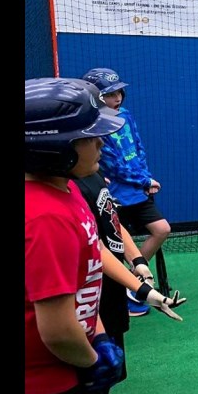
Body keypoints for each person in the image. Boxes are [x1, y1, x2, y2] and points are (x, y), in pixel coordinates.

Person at [25, 77, 127, 394]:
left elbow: (85, 279)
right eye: (90, 138)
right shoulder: (43, 217)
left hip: (69, 365)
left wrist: (98, 337)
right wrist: (89, 360)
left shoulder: (67, 192)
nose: (101, 145)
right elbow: (55, 327)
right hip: (45, 382)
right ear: (55, 148)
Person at [75, 169, 186, 394]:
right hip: (89, 293)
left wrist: (138, 261)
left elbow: (113, 224)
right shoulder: (68, 187)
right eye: (91, 138)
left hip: (108, 291)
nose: (100, 145)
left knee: (104, 379)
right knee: (87, 383)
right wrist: (141, 289)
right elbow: (94, 247)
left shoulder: (92, 176)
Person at [82, 67, 172, 314]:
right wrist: (143, 181)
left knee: (162, 229)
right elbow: (112, 163)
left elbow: (138, 148)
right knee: (115, 245)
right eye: (110, 94)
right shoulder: (93, 126)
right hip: (116, 195)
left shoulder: (127, 116)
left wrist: (146, 177)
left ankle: (134, 283)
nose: (117, 98)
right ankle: (123, 287)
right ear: (97, 98)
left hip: (139, 188)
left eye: (119, 92)